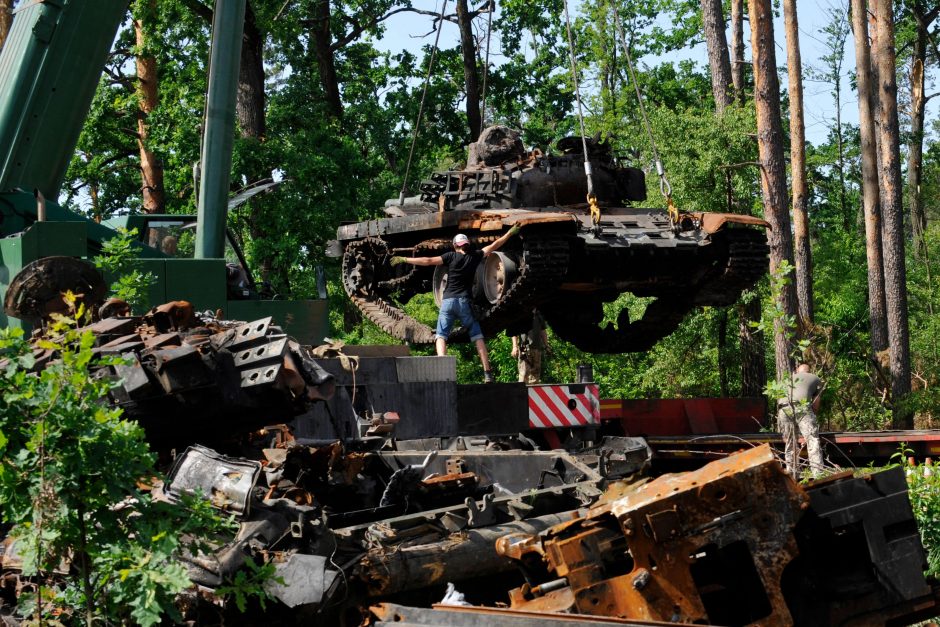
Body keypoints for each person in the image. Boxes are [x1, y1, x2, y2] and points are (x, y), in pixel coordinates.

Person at [390, 225, 521, 383]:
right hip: (464, 303)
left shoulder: (450, 257)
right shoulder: (475, 256)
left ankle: (442, 373)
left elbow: (428, 261)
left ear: (455, 245)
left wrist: (404, 259)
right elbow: (495, 245)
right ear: (467, 244)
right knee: (477, 336)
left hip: (448, 302)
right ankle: (487, 373)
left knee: (441, 336)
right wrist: (509, 233)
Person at [777, 363, 824, 477]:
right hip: (802, 408)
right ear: (809, 371)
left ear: (797, 371)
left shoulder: (788, 379)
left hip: (783, 409)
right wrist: (813, 415)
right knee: (812, 440)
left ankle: (792, 474)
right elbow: (816, 403)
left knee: (790, 442)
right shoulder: (815, 378)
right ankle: (818, 474)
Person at [511, 308, 548, 383]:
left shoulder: (539, 315)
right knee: (524, 373)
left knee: (535, 375)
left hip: (537, 349)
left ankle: (534, 394)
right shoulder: (522, 314)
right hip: (524, 348)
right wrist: (514, 347)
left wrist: (546, 345)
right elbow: (513, 332)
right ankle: (522, 393)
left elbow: (543, 331)